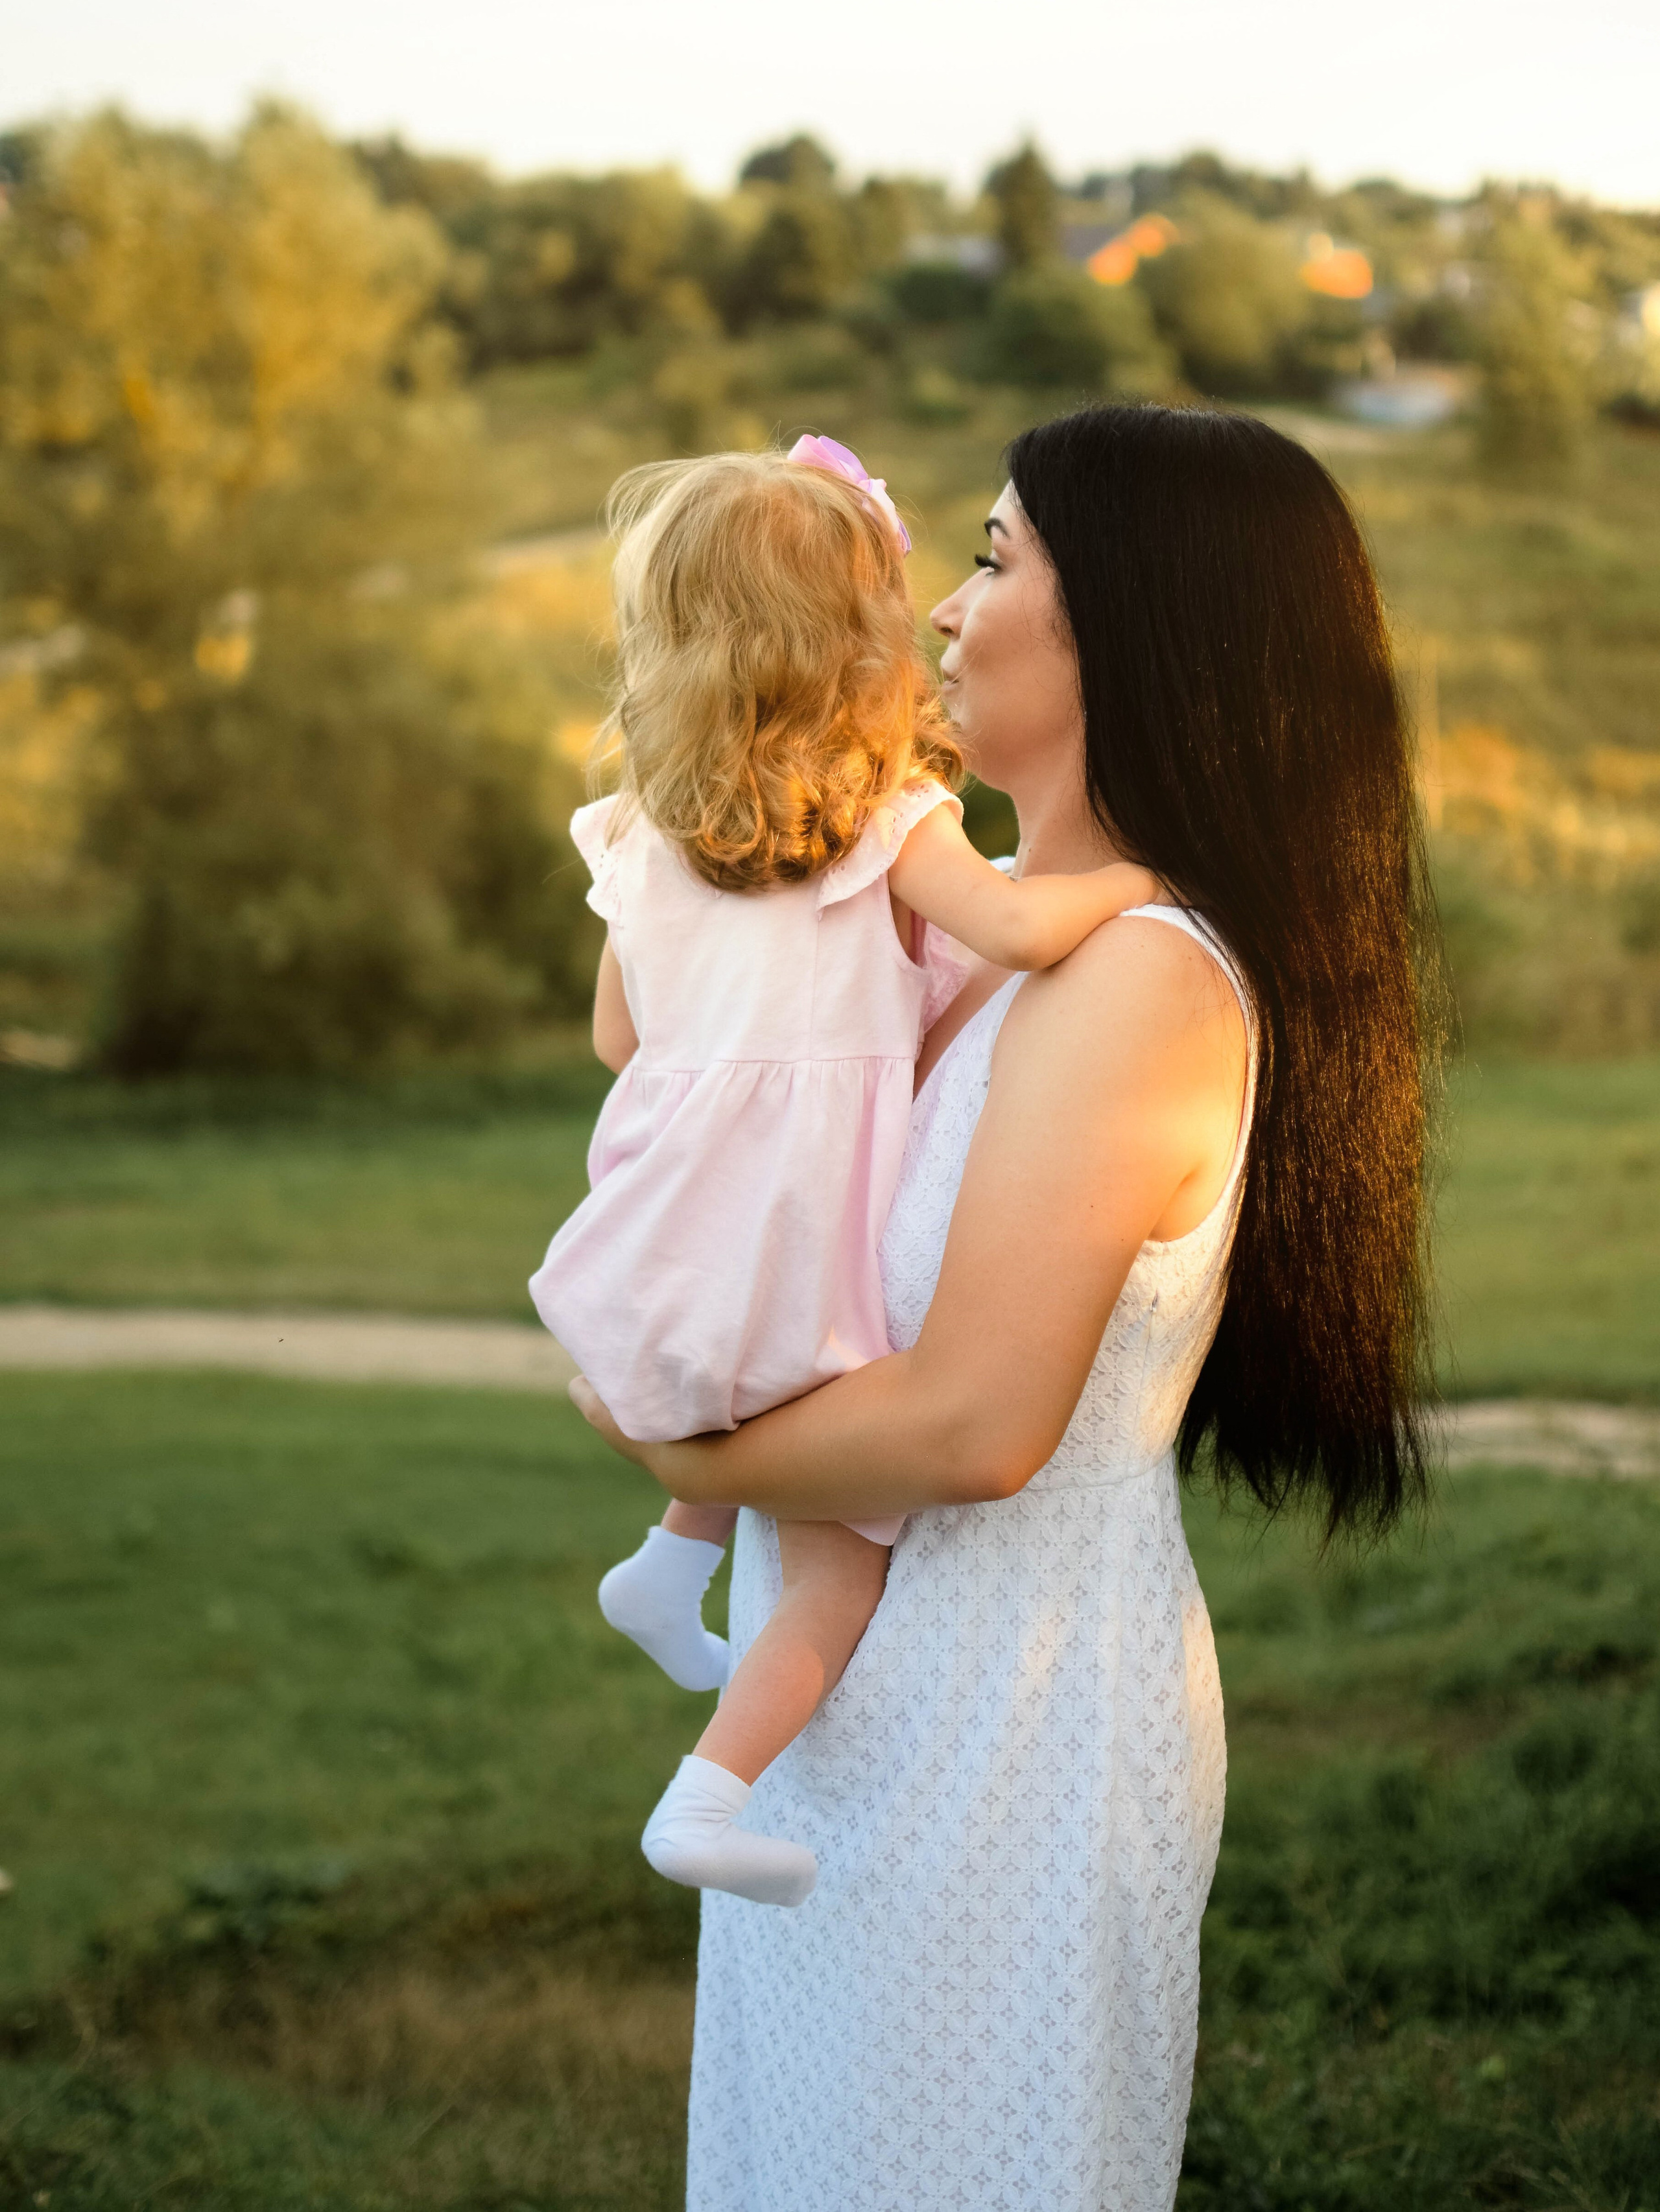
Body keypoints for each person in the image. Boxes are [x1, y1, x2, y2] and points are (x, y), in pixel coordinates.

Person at [571, 403, 1440, 2212]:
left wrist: (666, 1436)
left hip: (1013, 1733)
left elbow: (975, 1421)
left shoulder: (1137, 975)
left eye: (991, 556)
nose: (945, 615)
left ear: (1137, 619)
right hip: (845, 1709)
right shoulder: (968, 931)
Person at [530, 436, 1160, 1909]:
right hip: (791, 1230)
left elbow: (621, 1034)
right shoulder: (889, 822)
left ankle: (665, 1564)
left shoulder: (640, 833)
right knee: (833, 1563)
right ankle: (705, 1791)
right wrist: (1128, 887)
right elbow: (1012, 938)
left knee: (740, 1374)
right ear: (856, 642)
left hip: (657, 1224)